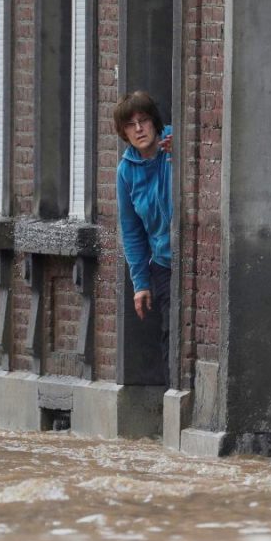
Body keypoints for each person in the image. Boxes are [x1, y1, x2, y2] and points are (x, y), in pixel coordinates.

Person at [114, 91, 173, 368]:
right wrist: (140, 284)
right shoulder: (126, 171)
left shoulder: (175, 144)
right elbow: (132, 231)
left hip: (196, 257)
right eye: (130, 124)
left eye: (144, 120)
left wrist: (182, 156)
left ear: (155, 122)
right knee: (170, 335)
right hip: (163, 263)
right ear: (124, 133)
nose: (139, 129)